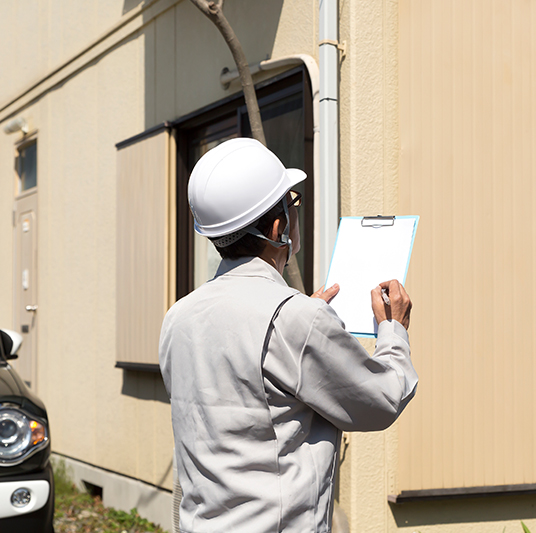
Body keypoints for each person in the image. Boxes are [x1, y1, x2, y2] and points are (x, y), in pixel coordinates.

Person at [159, 138, 418, 533]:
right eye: (291, 204)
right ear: (279, 226)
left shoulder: (179, 316)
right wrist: (393, 329)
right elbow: (381, 400)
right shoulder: (293, 320)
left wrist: (302, 320)